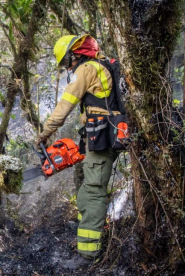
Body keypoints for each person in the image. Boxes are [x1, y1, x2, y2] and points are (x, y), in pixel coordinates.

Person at [36, 34, 120, 269]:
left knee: (92, 193)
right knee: (85, 194)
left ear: (75, 55)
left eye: (66, 62)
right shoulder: (105, 65)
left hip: (104, 137)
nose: (67, 67)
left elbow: (65, 105)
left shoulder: (86, 70)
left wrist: (45, 133)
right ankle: (91, 227)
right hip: (104, 134)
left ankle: (87, 255)